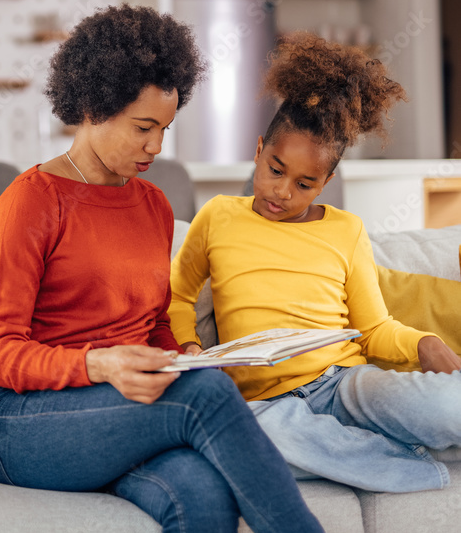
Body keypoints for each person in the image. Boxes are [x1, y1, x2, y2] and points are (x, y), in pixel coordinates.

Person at [0, 5, 347, 533]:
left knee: (203, 492)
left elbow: (151, 324)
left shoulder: (153, 206)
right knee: (205, 397)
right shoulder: (32, 202)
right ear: (93, 107)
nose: (156, 148)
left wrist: (186, 352)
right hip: (22, 424)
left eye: (164, 129)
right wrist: (99, 365)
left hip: (114, 411)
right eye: (143, 128)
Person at [169, 33, 461, 494]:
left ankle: (346, 447)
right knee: (249, 434)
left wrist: (423, 343)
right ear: (260, 149)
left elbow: (374, 328)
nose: (282, 192)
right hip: (265, 402)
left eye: (305, 184)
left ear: (326, 181)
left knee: (451, 408)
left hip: (343, 383)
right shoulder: (218, 215)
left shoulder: (346, 230)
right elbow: (180, 295)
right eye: (275, 169)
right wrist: (189, 346)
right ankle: (409, 465)